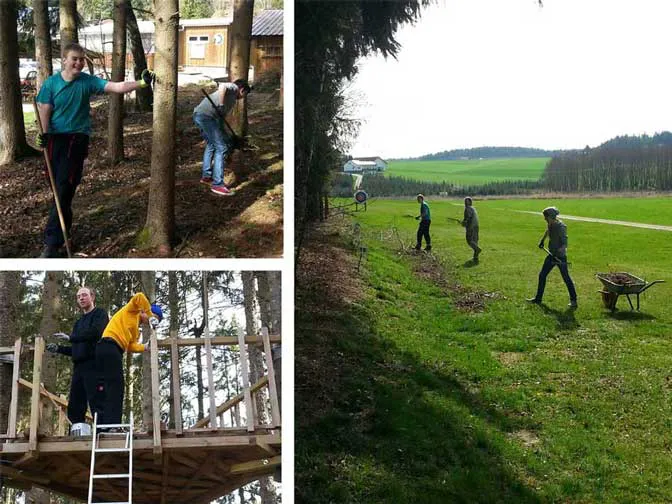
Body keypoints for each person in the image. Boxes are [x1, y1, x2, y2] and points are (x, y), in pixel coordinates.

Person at [35, 43, 155, 258]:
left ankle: (52, 244)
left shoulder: (87, 82)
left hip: (76, 140)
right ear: (64, 60)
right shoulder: (51, 84)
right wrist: (43, 134)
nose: (79, 63)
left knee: (63, 188)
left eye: (81, 59)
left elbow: (116, 87)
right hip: (55, 140)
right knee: (61, 190)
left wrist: (141, 83)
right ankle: (63, 236)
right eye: (74, 58)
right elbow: (44, 108)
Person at [94, 293, 163, 425]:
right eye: (154, 318)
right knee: (116, 387)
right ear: (145, 311)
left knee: (110, 386)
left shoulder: (136, 330)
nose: (152, 321)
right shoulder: (132, 310)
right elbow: (139, 296)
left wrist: (144, 347)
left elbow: (130, 345)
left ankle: (105, 424)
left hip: (113, 349)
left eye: (156, 321)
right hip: (109, 346)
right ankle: (112, 424)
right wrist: (150, 314)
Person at [45, 286, 109, 427]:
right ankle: (77, 431)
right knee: (75, 402)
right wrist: (59, 349)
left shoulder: (100, 314)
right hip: (79, 367)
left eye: (84, 295)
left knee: (96, 400)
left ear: (92, 297)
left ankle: (102, 431)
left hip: (94, 364)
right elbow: (77, 348)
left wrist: (71, 337)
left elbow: (96, 332)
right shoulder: (78, 323)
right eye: (79, 296)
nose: (81, 298)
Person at [192, 79, 251, 196]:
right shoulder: (234, 88)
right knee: (222, 148)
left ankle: (206, 177)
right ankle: (218, 185)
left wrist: (228, 136)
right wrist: (221, 104)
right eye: (245, 94)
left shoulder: (232, 99)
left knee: (212, 145)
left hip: (201, 116)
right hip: (205, 117)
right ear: (242, 90)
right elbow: (223, 85)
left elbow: (219, 121)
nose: (243, 97)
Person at [527, 206, 578, 308]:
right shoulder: (550, 224)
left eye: (546, 217)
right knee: (542, 275)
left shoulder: (561, 227)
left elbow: (565, 242)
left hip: (560, 257)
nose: (544, 219)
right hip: (551, 256)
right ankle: (538, 299)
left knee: (566, 278)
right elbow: (547, 231)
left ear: (551, 217)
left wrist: (561, 250)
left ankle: (574, 300)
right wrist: (542, 240)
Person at [461, 196, 482, 261]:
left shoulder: (467, 209)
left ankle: (477, 249)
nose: (465, 203)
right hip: (476, 226)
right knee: (475, 240)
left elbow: (468, 218)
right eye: (465, 201)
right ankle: (475, 257)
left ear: (469, 202)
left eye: (466, 201)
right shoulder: (473, 208)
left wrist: (464, 223)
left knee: (469, 240)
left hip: (471, 227)